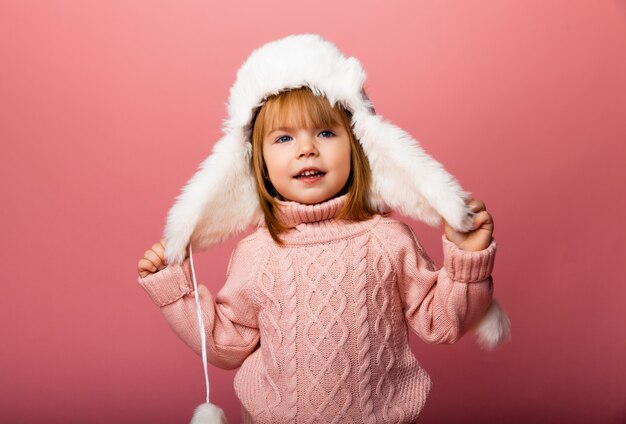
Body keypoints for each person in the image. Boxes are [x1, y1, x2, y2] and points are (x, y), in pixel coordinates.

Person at [137, 34, 507, 423]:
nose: (307, 149)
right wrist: (174, 290)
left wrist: (467, 259)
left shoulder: (386, 240)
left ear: (359, 145)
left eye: (326, 133)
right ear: (257, 164)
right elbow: (227, 344)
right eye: (283, 138)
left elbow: (442, 321)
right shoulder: (257, 253)